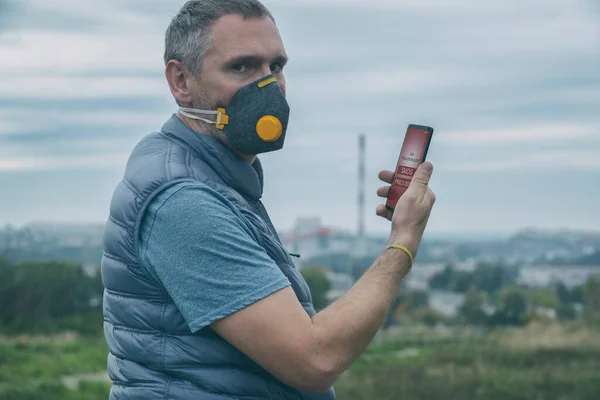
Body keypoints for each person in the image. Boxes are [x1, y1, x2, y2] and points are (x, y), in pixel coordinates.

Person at [100, 0, 436, 399]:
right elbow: (314, 359)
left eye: (275, 67)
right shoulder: (183, 201)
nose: (268, 86)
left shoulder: (211, 174)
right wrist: (403, 243)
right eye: (241, 67)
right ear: (181, 81)